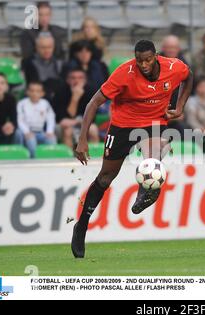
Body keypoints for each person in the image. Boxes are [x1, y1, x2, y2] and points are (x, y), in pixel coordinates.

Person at [71, 40, 193, 258]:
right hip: (123, 125)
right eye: (139, 60)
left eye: (147, 60)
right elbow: (93, 103)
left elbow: (189, 77)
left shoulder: (174, 67)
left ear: (156, 56)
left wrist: (180, 106)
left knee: (154, 163)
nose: (143, 65)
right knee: (106, 178)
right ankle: (82, 225)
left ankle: (146, 192)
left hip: (155, 122)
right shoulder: (124, 73)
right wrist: (82, 140)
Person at [52, 68, 98, 149]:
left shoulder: (91, 92)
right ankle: (68, 159)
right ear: (68, 80)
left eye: (80, 78)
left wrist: (78, 122)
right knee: (68, 131)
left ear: (85, 80)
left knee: (93, 129)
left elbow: (92, 118)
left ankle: (93, 158)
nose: (76, 81)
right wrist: (75, 98)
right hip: (62, 127)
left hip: (82, 124)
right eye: (73, 78)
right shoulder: (60, 92)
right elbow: (63, 120)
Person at [17, 81, 57, 158]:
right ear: (27, 92)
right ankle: (33, 161)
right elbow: (20, 120)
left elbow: (51, 118)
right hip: (27, 132)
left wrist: (49, 131)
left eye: (38, 91)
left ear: (42, 93)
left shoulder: (45, 103)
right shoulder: (22, 104)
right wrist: (27, 132)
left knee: (51, 138)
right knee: (31, 141)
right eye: (32, 91)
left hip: (41, 132)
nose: (34, 93)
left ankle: (51, 161)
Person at [21, 32, 63, 101]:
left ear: (53, 47)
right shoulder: (29, 63)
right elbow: (33, 84)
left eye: (49, 47)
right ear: (37, 48)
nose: (47, 50)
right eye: (43, 47)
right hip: (38, 97)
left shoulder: (59, 62)